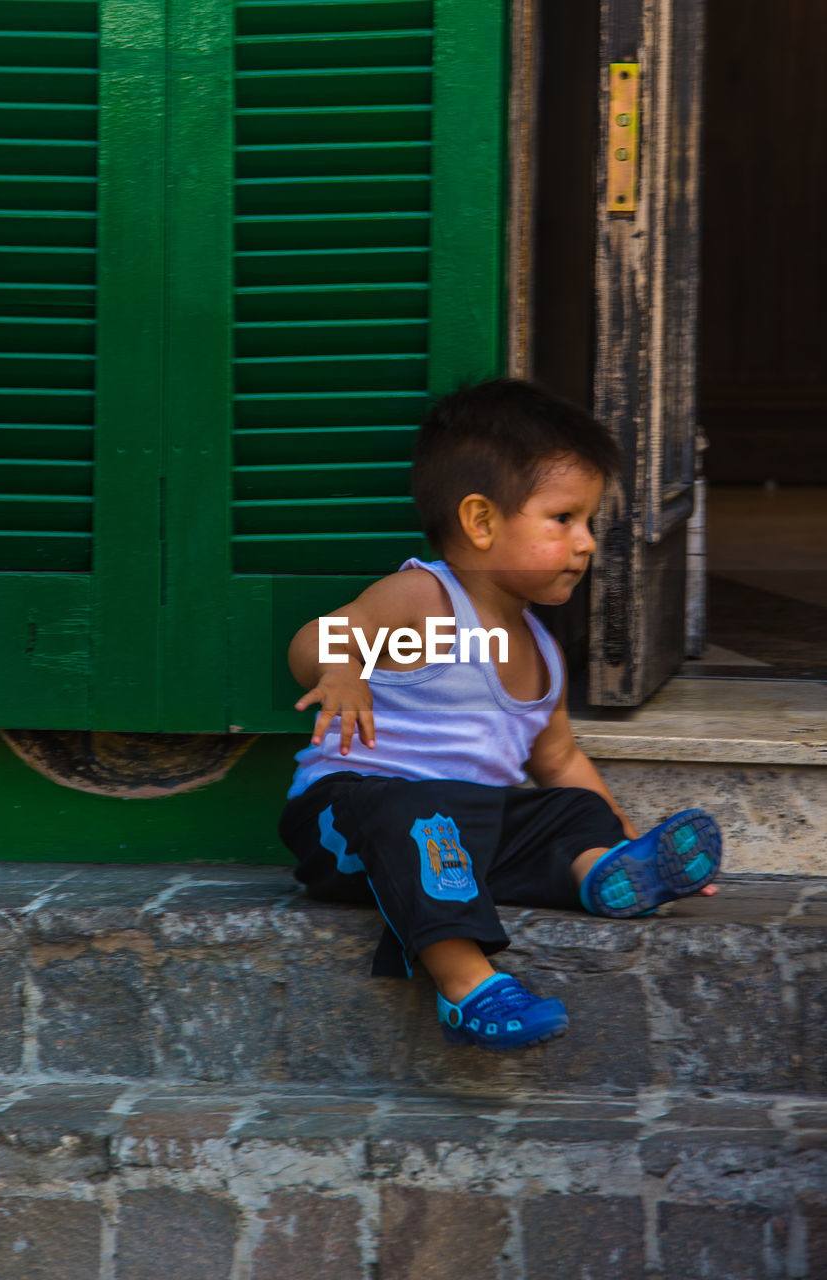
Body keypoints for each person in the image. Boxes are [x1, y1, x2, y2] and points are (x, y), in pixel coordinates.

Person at [278, 379, 721, 1052]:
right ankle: (468, 985)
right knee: (414, 815)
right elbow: (318, 637)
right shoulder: (424, 601)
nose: (587, 544)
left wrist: (616, 830)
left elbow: (559, 761)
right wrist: (343, 669)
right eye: (564, 519)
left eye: (590, 523)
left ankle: (605, 873)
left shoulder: (541, 649)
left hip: (463, 835)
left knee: (568, 810)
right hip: (350, 827)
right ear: (481, 521)